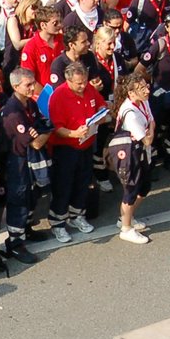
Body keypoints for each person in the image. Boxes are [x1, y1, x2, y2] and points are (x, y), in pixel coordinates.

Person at [47, 62, 107, 242]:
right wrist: (74, 133)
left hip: (86, 145)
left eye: (85, 82)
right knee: (63, 186)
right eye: (79, 83)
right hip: (66, 148)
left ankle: (77, 215)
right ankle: (58, 223)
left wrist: (102, 114)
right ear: (68, 80)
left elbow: (100, 105)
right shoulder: (59, 96)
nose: (83, 86)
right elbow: (56, 127)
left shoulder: (88, 88)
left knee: (83, 182)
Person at [0, 68, 49, 264]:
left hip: (28, 159)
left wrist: (42, 131)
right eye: (28, 85)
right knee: (19, 198)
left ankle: (26, 228)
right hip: (16, 161)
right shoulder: (13, 112)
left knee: (32, 193)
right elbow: (35, 141)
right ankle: (15, 242)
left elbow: (40, 126)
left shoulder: (29, 104)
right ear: (15, 86)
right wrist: (48, 132)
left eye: (32, 83)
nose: (32, 87)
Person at [105, 69, 154, 245]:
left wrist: (151, 130)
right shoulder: (131, 113)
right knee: (131, 189)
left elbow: (152, 122)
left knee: (144, 187)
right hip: (129, 153)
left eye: (146, 86)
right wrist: (150, 132)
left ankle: (127, 217)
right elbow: (147, 139)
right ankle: (125, 228)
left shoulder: (143, 102)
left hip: (140, 151)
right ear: (131, 93)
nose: (147, 90)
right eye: (141, 88)